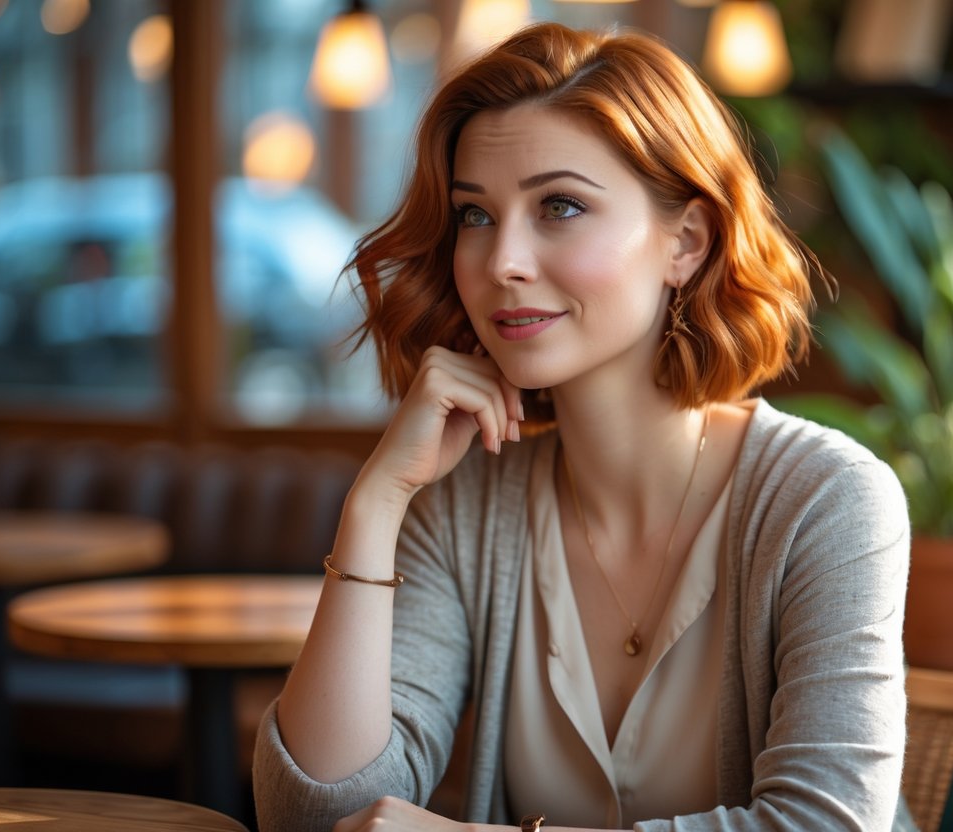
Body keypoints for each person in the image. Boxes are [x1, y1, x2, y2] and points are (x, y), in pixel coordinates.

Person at [253, 21, 910, 832]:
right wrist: (376, 504)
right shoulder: (465, 503)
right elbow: (314, 817)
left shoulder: (826, 499)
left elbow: (827, 827)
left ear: (686, 242)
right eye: (475, 215)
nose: (502, 263)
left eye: (558, 206)